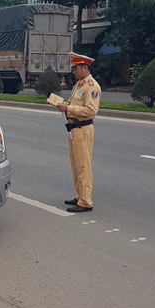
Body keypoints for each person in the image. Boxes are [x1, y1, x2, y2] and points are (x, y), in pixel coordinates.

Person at [55, 52, 101, 213]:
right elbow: (74, 104)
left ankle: (86, 201)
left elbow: (91, 110)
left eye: (76, 68)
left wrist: (69, 108)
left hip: (83, 129)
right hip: (74, 129)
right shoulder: (79, 84)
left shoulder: (91, 86)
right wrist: (63, 105)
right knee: (75, 164)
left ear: (85, 67)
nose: (73, 72)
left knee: (83, 165)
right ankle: (80, 195)